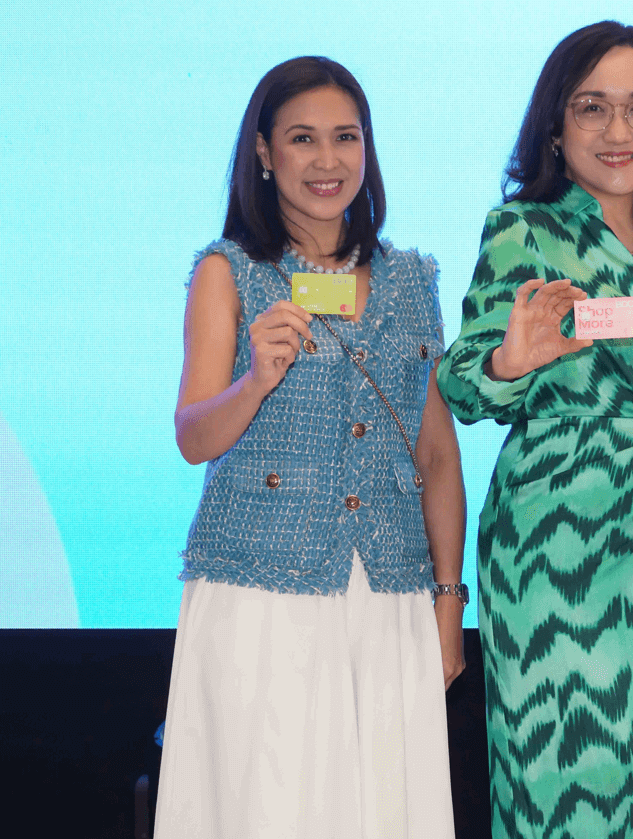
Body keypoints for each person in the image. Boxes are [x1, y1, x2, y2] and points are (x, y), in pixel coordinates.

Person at [436, 21, 633, 839]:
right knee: (561, 782)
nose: (616, 130)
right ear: (554, 126)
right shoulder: (524, 229)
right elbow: (461, 381)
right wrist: (509, 360)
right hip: (558, 552)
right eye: (591, 107)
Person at [156, 56, 465, 839]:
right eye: (302, 139)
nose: (327, 161)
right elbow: (193, 435)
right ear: (264, 153)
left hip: (389, 598)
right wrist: (254, 381)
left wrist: (448, 600)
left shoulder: (412, 280)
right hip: (262, 600)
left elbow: (435, 455)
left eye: (345, 137)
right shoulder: (229, 273)